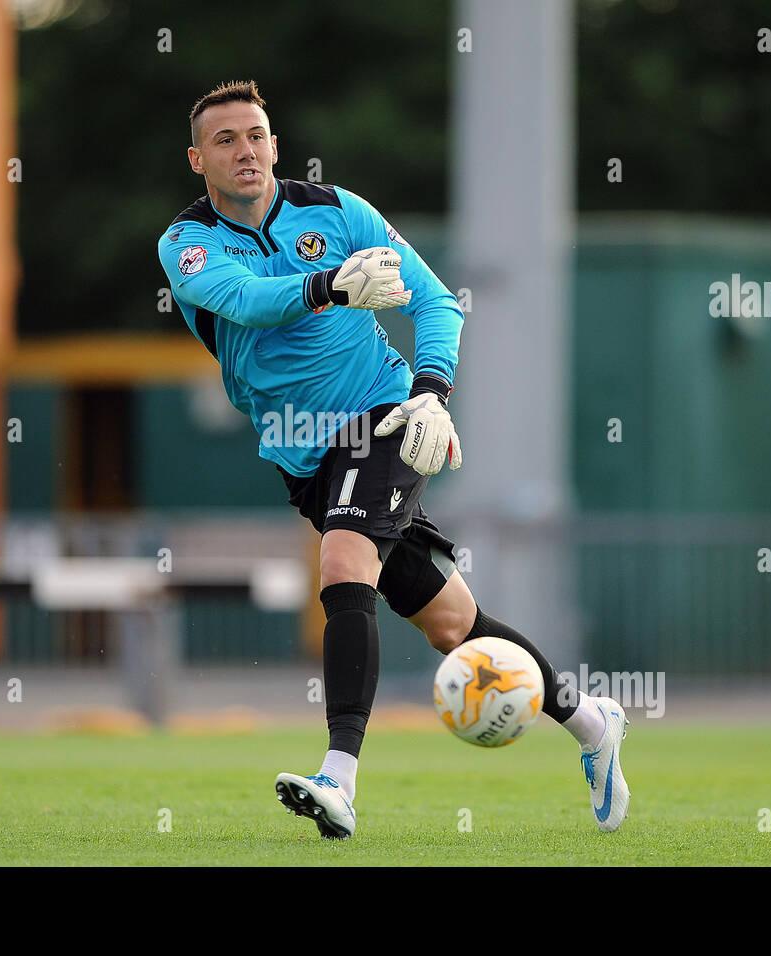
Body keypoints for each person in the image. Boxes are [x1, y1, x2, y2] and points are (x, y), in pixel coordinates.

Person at [157, 80, 629, 839]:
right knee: (451, 623)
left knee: (345, 564)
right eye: (225, 141)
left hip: (383, 416)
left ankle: (338, 777)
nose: (245, 151)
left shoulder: (341, 211)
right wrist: (328, 286)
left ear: (276, 144)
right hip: (300, 452)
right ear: (197, 159)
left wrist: (432, 392)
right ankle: (592, 725)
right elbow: (241, 299)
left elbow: (437, 302)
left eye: (257, 135)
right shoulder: (185, 242)